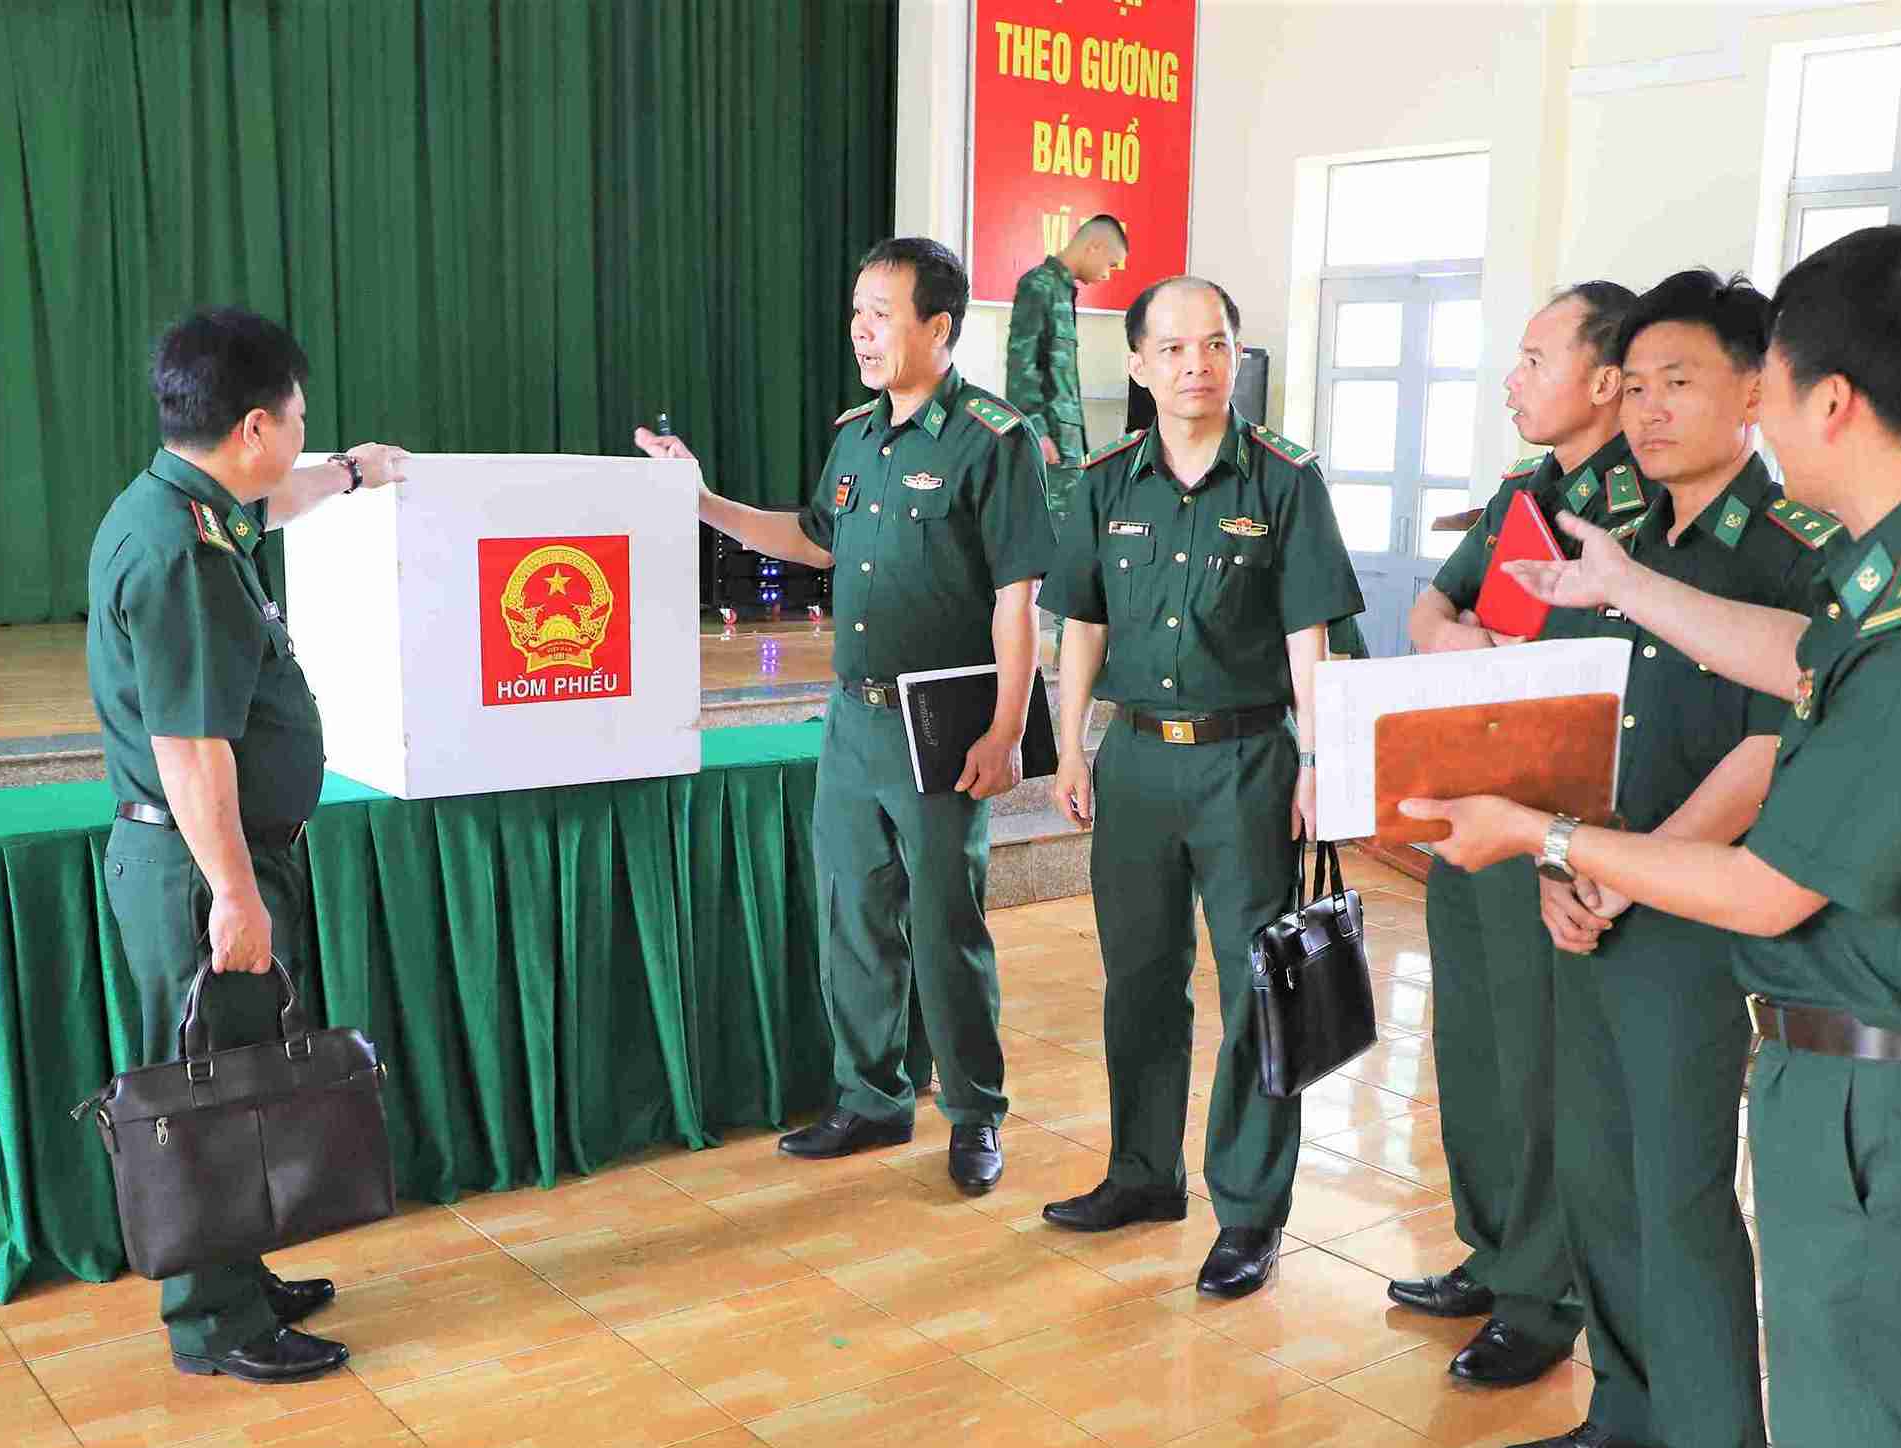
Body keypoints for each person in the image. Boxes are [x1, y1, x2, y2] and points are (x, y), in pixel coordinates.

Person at [1404, 225, 1901, 1448]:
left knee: (1870, 1423)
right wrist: (1627, 585)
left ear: (1826, 400)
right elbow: (1802, 658)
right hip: (1872, 1047)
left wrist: (1541, 841)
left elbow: (1774, 881)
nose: (1748, 417)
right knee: (1845, 1410)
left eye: (1758, 384)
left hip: (1888, 1066)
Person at [1497, 271, 1826, 1448]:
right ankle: (1625, 1408)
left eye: (1675, 379)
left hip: (1695, 914)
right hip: (1588, 893)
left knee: (1680, 1197)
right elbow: (1560, 711)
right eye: (1628, 383)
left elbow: (1764, 753)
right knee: (1593, 1169)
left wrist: (1623, 873)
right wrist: (1554, 859)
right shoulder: (1609, 530)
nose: (1644, 406)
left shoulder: (1788, 547)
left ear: (1753, 388)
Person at [635, 236, 1052, 1195]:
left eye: (882, 312)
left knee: (947, 925)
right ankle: (871, 1098)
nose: (861, 330)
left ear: (937, 326)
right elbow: (813, 539)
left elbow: (1015, 598)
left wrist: (1004, 726)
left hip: (943, 720)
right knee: (855, 916)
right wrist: (700, 499)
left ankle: (975, 1112)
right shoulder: (856, 434)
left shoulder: (994, 440)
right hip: (853, 718)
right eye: (857, 309)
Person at [86, 306, 407, 1382]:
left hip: (209, 857)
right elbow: (190, 746)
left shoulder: (191, 508)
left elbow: (284, 497)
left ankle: (236, 1272)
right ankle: (214, 1322)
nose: (306, 441)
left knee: (233, 1071)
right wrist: (234, 891)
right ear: (257, 425)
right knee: (207, 1093)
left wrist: (355, 473)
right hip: (195, 867)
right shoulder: (181, 552)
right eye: (303, 423)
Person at [1037, 276, 1364, 1297]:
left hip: (1245, 763)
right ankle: (1141, 1172)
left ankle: (1249, 1210)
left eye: (1213, 344)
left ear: (1233, 356)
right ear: (1136, 365)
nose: (1195, 365)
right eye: (1172, 348)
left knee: (1256, 987)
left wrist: (1317, 759)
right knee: (1138, 979)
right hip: (1134, 759)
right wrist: (1071, 746)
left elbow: (1309, 634)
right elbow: (1079, 622)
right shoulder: (1102, 482)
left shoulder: (1282, 479)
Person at [1386, 282, 1653, 1387]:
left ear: (1602, 381)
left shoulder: (1642, 514)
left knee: (1546, 1064)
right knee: (1475, 1047)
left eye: (1535, 359)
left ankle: (1545, 1295)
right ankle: (1492, 1249)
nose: (1511, 378)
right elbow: (1428, 609)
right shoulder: (1519, 492)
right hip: (1472, 802)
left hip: (1562, 818)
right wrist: (1459, 649)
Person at [1007, 215, 1129, 516]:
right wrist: (1038, 432)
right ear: (1094, 247)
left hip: (1067, 446)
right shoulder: (1038, 286)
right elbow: (1022, 367)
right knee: (1052, 538)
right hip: (1050, 447)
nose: (1107, 275)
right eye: (1110, 264)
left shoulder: (1063, 291)